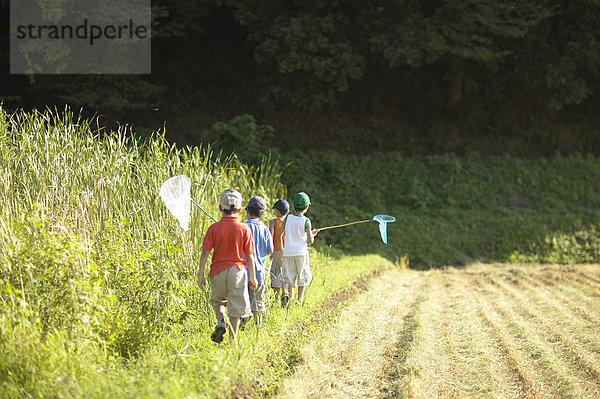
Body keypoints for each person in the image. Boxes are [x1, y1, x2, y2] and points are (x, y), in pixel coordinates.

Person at [197, 189, 258, 343]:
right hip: (237, 272)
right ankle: (233, 341)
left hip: (217, 271)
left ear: (220, 208)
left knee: (218, 301)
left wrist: (200, 273)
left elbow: (205, 253)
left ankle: (220, 321)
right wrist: (253, 278)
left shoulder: (213, 228)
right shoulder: (245, 229)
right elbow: (250, 256)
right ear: (239, 209)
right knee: (235, 307)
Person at [276, 192, 318, 307]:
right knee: (302, 276)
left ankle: (286, 294)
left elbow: (279, 235)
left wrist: (281, 249)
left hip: (288, 252)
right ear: (306, 207)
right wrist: (313, 234)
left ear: (293, 206)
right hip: (301, 254)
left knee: (287, 275)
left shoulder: (288, 217)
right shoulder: (306, 221)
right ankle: (299, 300)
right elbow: (310, 241)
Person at [243, 196, 274, 328]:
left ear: (248, 211)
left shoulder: (242, 227)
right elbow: (270, 250)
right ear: (262, 213)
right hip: (259, 272)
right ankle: (258, 324)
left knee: (243, 299)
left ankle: (242, 323)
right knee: (258, 300)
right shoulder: (265, 229)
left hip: (243, 271)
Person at [268, 199, 289, 299]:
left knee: (276, 273)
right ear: (287, 212)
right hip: (288, 252)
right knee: (286, 272)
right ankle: (287, 294)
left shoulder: (273, 222)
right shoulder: (289, 223)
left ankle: (277, 298)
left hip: (277, 251)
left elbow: (270, 237)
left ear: (276, 211)